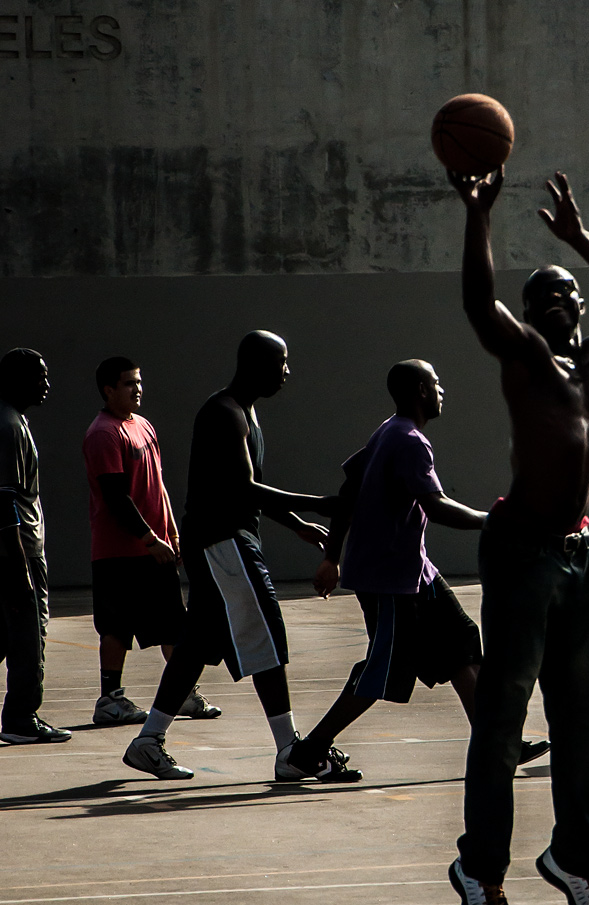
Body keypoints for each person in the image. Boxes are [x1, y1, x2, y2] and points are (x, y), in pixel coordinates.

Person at [448, 168, 589, 905]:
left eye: (568, 291)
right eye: (545, 295)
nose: (559, 301)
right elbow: (476, 305)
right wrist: (479, 214)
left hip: (579, 555)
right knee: (503, 719)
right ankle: (482, 870)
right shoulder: (528, 358)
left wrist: (579, 241)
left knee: (583, 720)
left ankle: (574, 858)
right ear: (533, 314)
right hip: (522, 549)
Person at [286, 359, 548, 780]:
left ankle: (500, 744)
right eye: (436, 383)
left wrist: (332, 556)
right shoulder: (407, 440)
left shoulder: (388, 432)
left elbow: (348, 491)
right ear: (418, 392)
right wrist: (496, 520)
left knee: (462, 643)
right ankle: (308, 752)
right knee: (381, 670)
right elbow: (435, 505)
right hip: (388, 578)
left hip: (416, 571)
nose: (442, 390)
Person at [122, 331, 334, 784]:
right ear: (257, 364)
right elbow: (244, 489)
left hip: (220, 543)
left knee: (197, 643)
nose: (287, 372)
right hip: (224, 544)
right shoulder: (224, 412)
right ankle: (290, 750)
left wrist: (299, 525)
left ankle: (147, 740)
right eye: (282, 362)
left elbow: (248, 488)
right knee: (265, 635)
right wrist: (318, 501)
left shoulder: (245, 413)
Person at [82, 357, 220, 729]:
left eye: (138, 382)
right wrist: (148, 538)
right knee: (116, 628)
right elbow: (116, 497)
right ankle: (110, 700)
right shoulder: (104, 433)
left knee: (176, 625)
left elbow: (156, 487)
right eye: (128, 384)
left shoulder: (143, 426)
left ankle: (184, 693)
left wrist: (172, 533)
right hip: (119, 552)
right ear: (109, 390)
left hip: (155, 547)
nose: (137, 389)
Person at [0, 349, 70, 746]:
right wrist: (19, 562)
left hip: (19, 550)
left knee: (3, 634)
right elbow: (5, 499)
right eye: (38, 377)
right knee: (29, 634)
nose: (46, 384)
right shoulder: (8, 425)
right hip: (18, 551)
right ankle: (22, 717)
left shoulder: (14, 420)